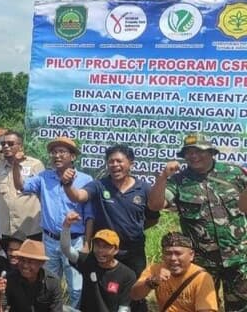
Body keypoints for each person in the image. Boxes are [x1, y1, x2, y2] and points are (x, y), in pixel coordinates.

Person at [149, 133, 247, 311]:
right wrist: (162, 177)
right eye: (188, 152)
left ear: (211, 152)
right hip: (202, 263)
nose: (193, 156)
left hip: (238, 259)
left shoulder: (234, 174)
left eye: (198, 151)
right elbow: (155, 205)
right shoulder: (178, 181)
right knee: (204, 308)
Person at [61, 144, 163, 309]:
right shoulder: (99, 185)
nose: (115, 165)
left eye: (119, 161)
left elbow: (153, 218)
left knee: (133, 296)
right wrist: (67, 184)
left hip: (133, 254)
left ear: (131, 163)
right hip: (104, 251)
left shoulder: (143, 188)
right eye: (111, 162)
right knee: (102, 294)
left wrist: (132, 229)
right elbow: (78, 196)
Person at [20, 137, 93, 308]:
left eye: (62, 152)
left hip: (74, 241)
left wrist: (87, 244)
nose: (57, 156)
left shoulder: (85, 179)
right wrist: (16, 165)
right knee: (50, 284)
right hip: (50, 241)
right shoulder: (44, 177)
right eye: (54, 152)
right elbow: (22, 186)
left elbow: (90, 215)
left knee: (76, 288)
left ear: (73, 156)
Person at [0, 131, 45, 238]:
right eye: (3, 144)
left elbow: (44, 194)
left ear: (20, 146)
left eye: (10, 144)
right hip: (8, 229)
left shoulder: (35, 165)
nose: (6, 146)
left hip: (31, 229)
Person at [61, 211, 136, 312]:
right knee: (59, 308)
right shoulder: (88, 261)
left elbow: (124, 307)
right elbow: (67, 250)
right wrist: (66, 225)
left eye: (106, 247)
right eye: (98, 245)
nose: (100, 250)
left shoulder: (128, 275)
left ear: (116, 250)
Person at [131, 232, 217, 312]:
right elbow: (135, 295)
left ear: (191, 255)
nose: (173, 258)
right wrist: (152, 282)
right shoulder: (155, 270)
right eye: (168, 253)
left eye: (178, 253)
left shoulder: (202, 278)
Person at [0, 239, 63, 312]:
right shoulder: (10, 280)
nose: (25, 265)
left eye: (30, 262)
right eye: (22, 260)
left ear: (41, 263)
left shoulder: (52, 283)